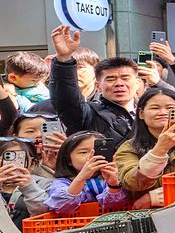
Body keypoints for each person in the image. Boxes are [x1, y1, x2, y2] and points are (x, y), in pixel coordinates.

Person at [49, 25, 139, 154]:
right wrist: (64, 61)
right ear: (98, 86)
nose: (119, 84)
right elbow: (66, 99)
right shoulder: (88, 113)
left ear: (137, 83)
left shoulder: (151, 110)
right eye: (111, 79)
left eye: (125, 78)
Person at [115, 86, 175, 208]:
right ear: (141, 114)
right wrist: (160, 149)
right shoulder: (128, 148)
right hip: (147, 216)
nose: (163, 112)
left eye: (170, 108)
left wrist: (156, 196)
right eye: (155, 108)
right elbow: (131, 182)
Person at [44, 130, 128, 215]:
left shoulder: (111, 177)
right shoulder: (62, 183)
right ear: (68, 159)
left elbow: (116, 205)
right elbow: (60, 206)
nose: (91, 157)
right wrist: (82, 177)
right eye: (83, 152)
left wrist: (113, 185)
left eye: (96, 151)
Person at [0, 137, 47, 219]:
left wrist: (30, 188)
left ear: (32, 164)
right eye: (7, 158)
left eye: (19, 159)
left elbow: (44, 213)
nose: (12, 165)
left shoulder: (43, 184)